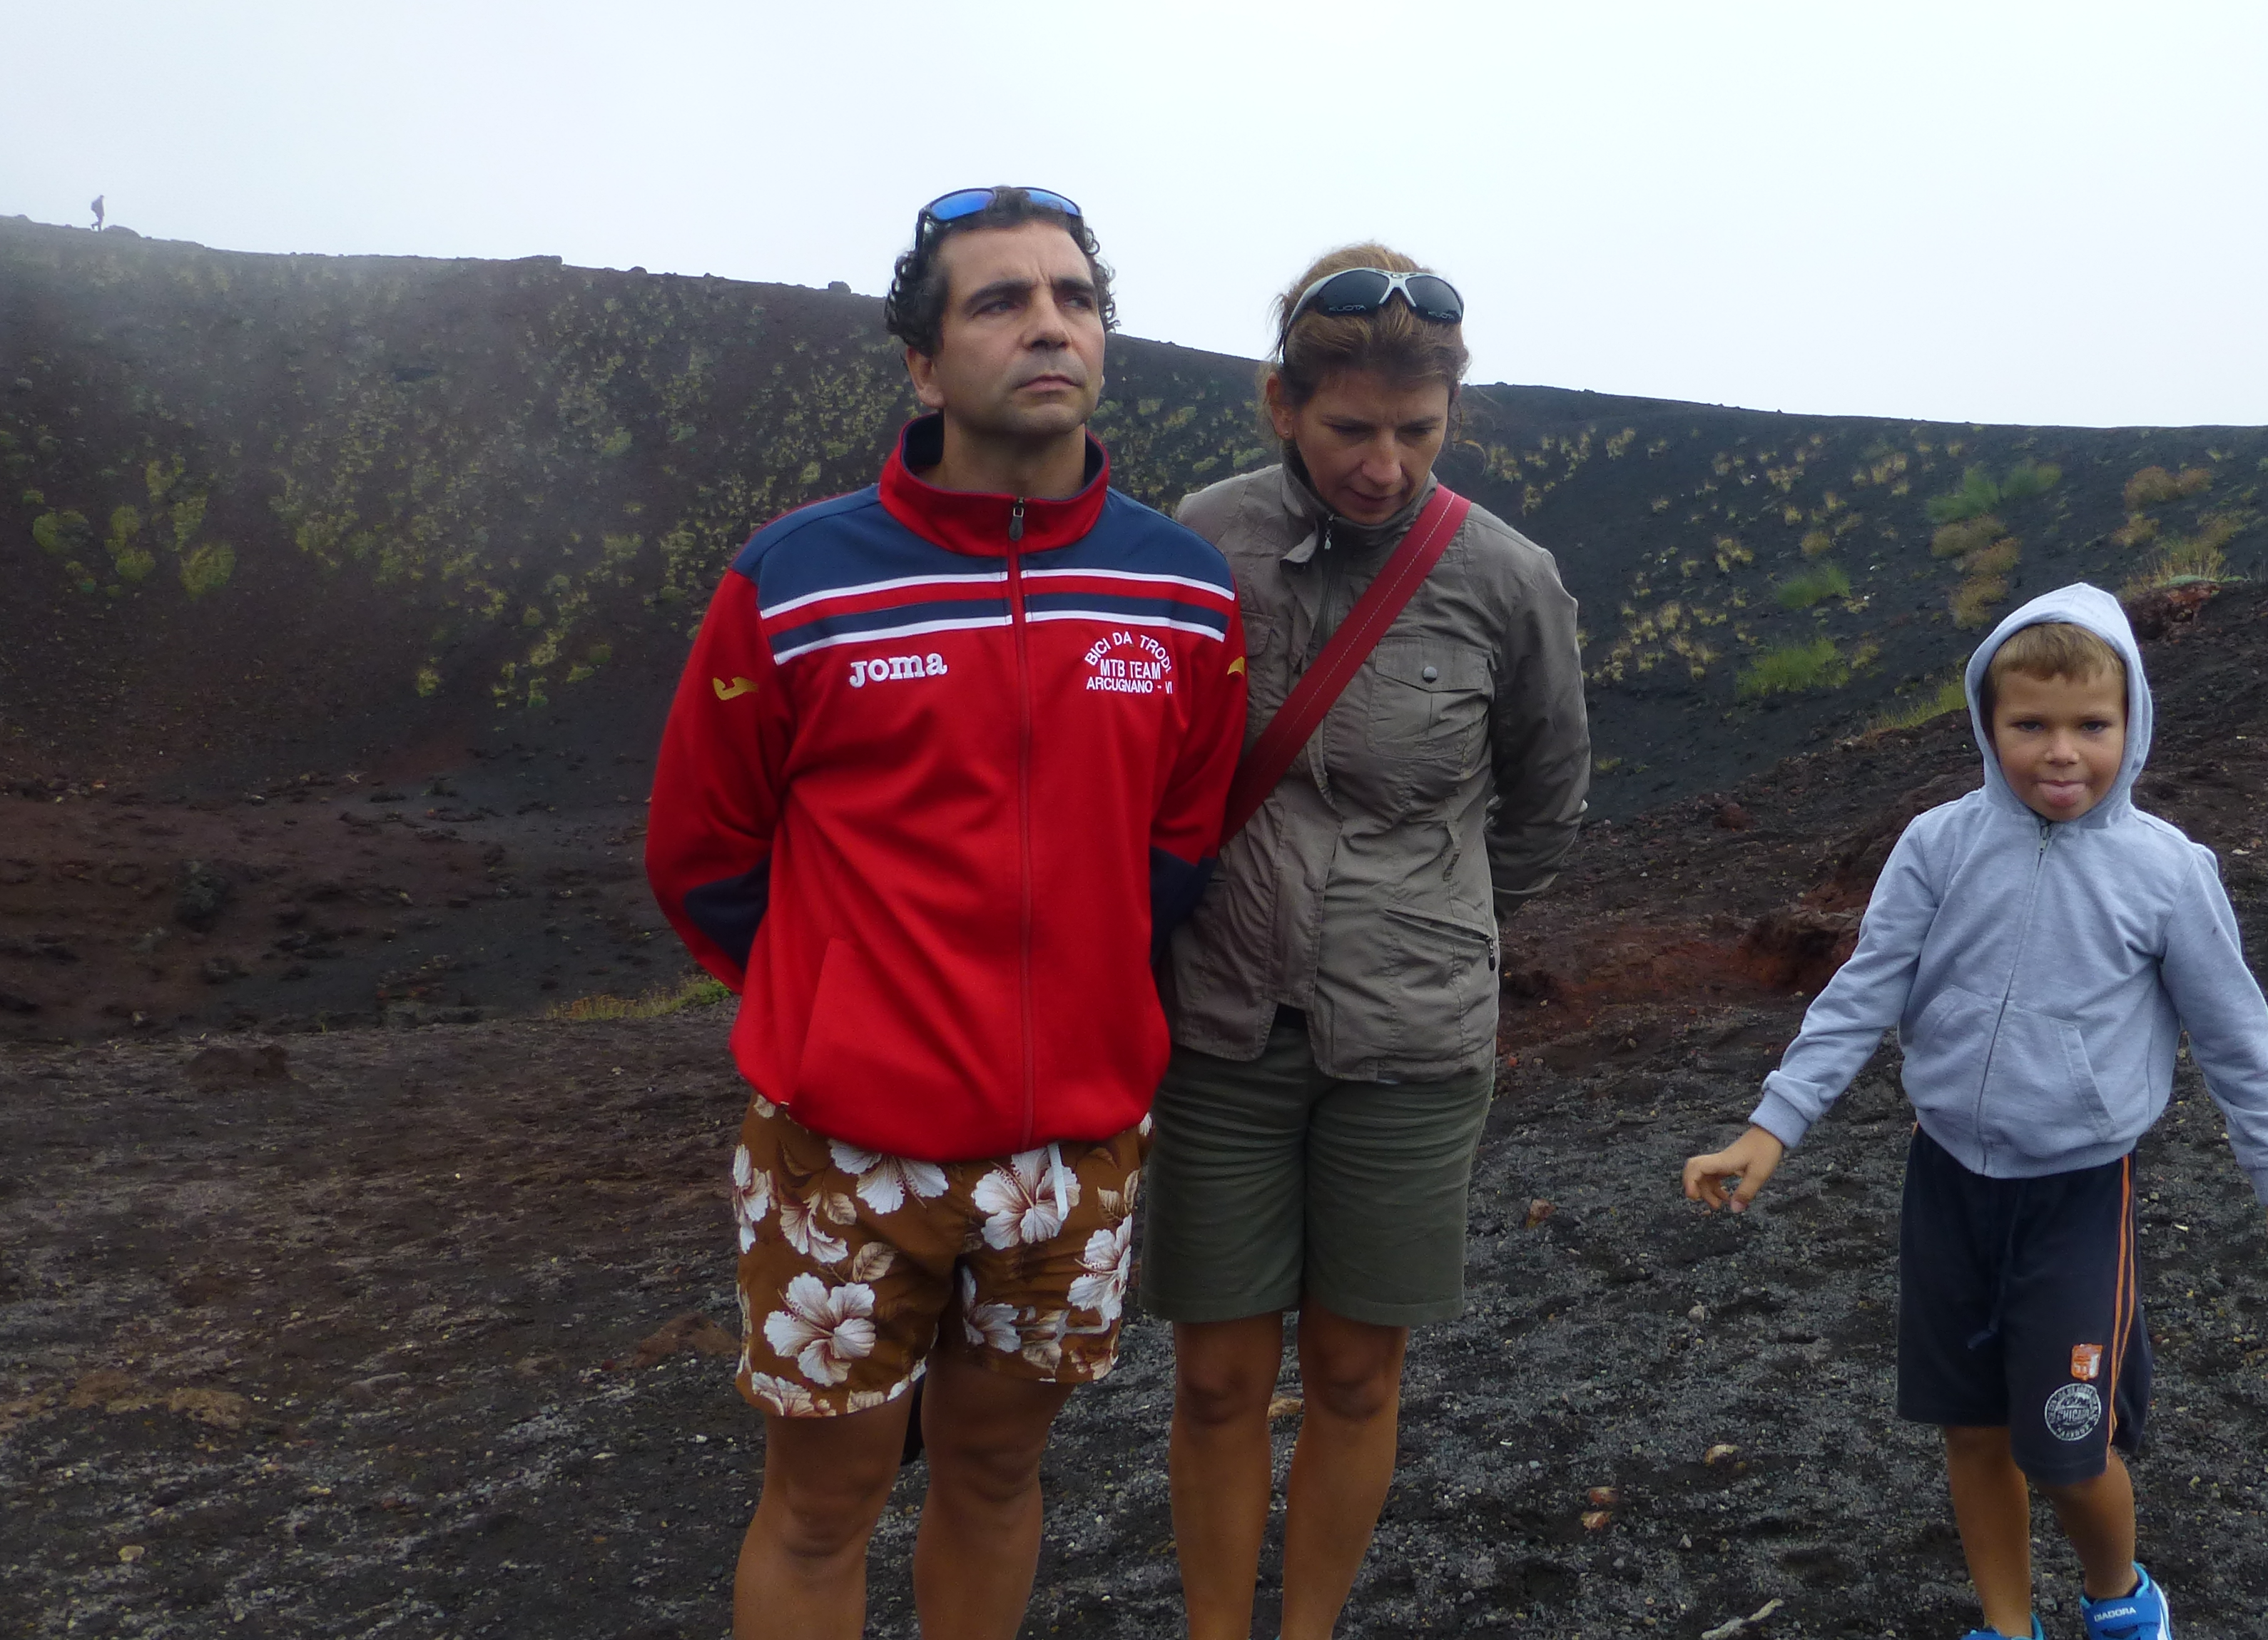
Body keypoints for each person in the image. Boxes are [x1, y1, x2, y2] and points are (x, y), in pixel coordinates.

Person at [646, 185, 1247, 1640]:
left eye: (1074, 298)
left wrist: (1089, 992)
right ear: (922, 364)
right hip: (848, 1147)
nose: (1048, 325)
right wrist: (835, 1002)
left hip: (1073, 1150)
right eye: (999, 301)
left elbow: (1182, 834)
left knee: (993, 1472)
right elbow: (702, 849)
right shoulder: (795, 581)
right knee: (822, 1506)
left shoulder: (1181, 593)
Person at [1682, 584, 2268, 1640]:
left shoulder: (2168, 872)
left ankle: (2121, 1600)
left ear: (2132, 725)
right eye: (2030, 725)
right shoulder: (1939, 845)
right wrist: (1771, 1127)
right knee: (1973, 1427)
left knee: (2068, 1446)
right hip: (1947, 1182)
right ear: (1988, 725)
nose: (2061, 753)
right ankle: (2006, 1625)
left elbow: (2234, 1036)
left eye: (2092, 725)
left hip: (2078, 1195)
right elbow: (1864, 989)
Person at [1145, 244, 1592, 1640]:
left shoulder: (1508, 580)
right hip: (1218, 1031)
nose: (1384, 465)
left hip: (1409, 1046)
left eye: (1417, 430)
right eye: (1350, 429)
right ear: (1282, 403)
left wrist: (1430, 926)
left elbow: (1545, 803)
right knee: (1216, 1380)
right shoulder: (1201, 542)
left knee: (1353, 1376)